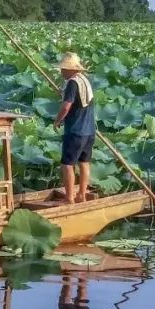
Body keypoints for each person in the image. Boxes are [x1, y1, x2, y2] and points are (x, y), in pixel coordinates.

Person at [53, 52, 97, 204]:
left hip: (75, 131)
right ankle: (82, 195)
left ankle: (69, 197)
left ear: (71, 69)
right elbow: (79, 100)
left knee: (67, 165)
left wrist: (57, 121)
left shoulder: (72, 83)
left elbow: (66, 107)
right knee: (84, 163)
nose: (62, 71)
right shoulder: (84, 80)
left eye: (64, 68)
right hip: (90, 131)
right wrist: (64, 94)